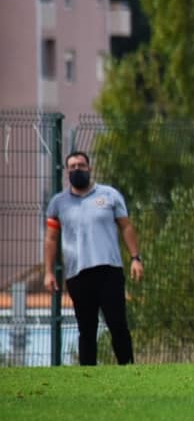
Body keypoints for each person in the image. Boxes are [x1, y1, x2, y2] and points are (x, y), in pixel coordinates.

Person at [43, 151, 143, 365]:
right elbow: (51, 239)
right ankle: (88, 373)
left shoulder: (109, 195)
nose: (77, 169)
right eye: (72, 167)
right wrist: (49, 271)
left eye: (81, 165)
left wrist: (135, 258)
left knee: (117, 323)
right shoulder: (58, 204)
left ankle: (128, 368)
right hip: (77, 274)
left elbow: (126, 226)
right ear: (67, 171)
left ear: (90, 168)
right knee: (86, 328)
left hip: (109, 270)